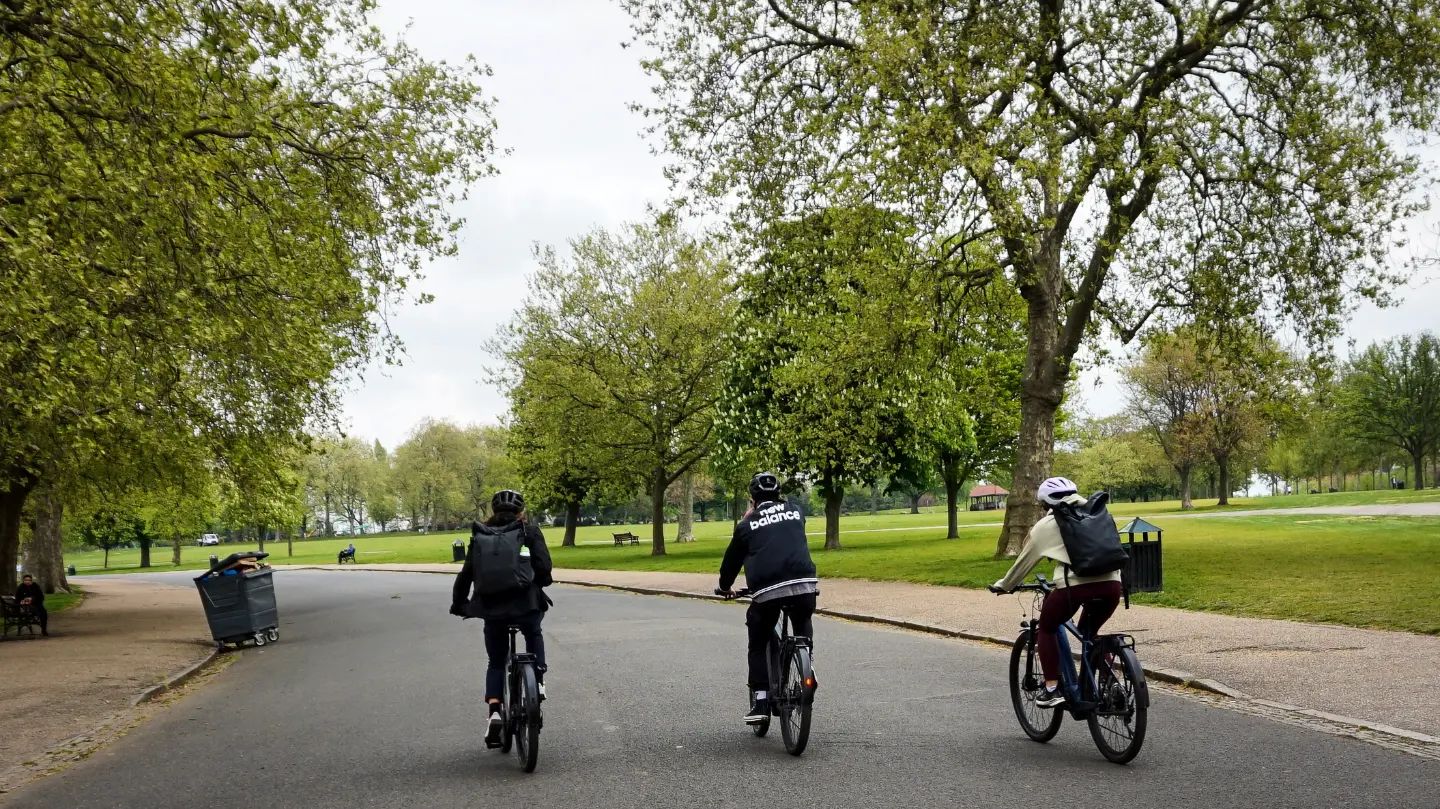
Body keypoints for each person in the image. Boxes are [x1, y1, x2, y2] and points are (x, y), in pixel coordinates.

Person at [991, 476, 1123, 708]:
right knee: (1088, 633)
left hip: (1074, 588)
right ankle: (1113, 682)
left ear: (1046, 504)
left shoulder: (1045, 526)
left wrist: (1005, 585)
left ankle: (1052, 687)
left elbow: (1023, 563)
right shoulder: (1099, 512)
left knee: (1048, 627)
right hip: (1112, 585)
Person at [451, 489, 553, 748]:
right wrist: (539, 583)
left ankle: (495, 709)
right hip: (526, 604)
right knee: (533, 632)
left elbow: (467, 574)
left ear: (493, 512)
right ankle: (538, 680)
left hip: (492, 608)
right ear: (521, 512)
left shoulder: (481, 535)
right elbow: (544, 568)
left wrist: (459, 604)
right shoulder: (529, 531)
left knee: (496, 661)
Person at [718, 472, 819, 724]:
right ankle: (808, 665)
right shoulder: (796, 512)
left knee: (758, 636)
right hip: (805, 583)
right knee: (802, 619)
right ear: (778, 493)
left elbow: (731, 563)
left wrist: (725, 586)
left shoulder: (746, 525)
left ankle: (761, 700)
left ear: (752, 499)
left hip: (768, 590)